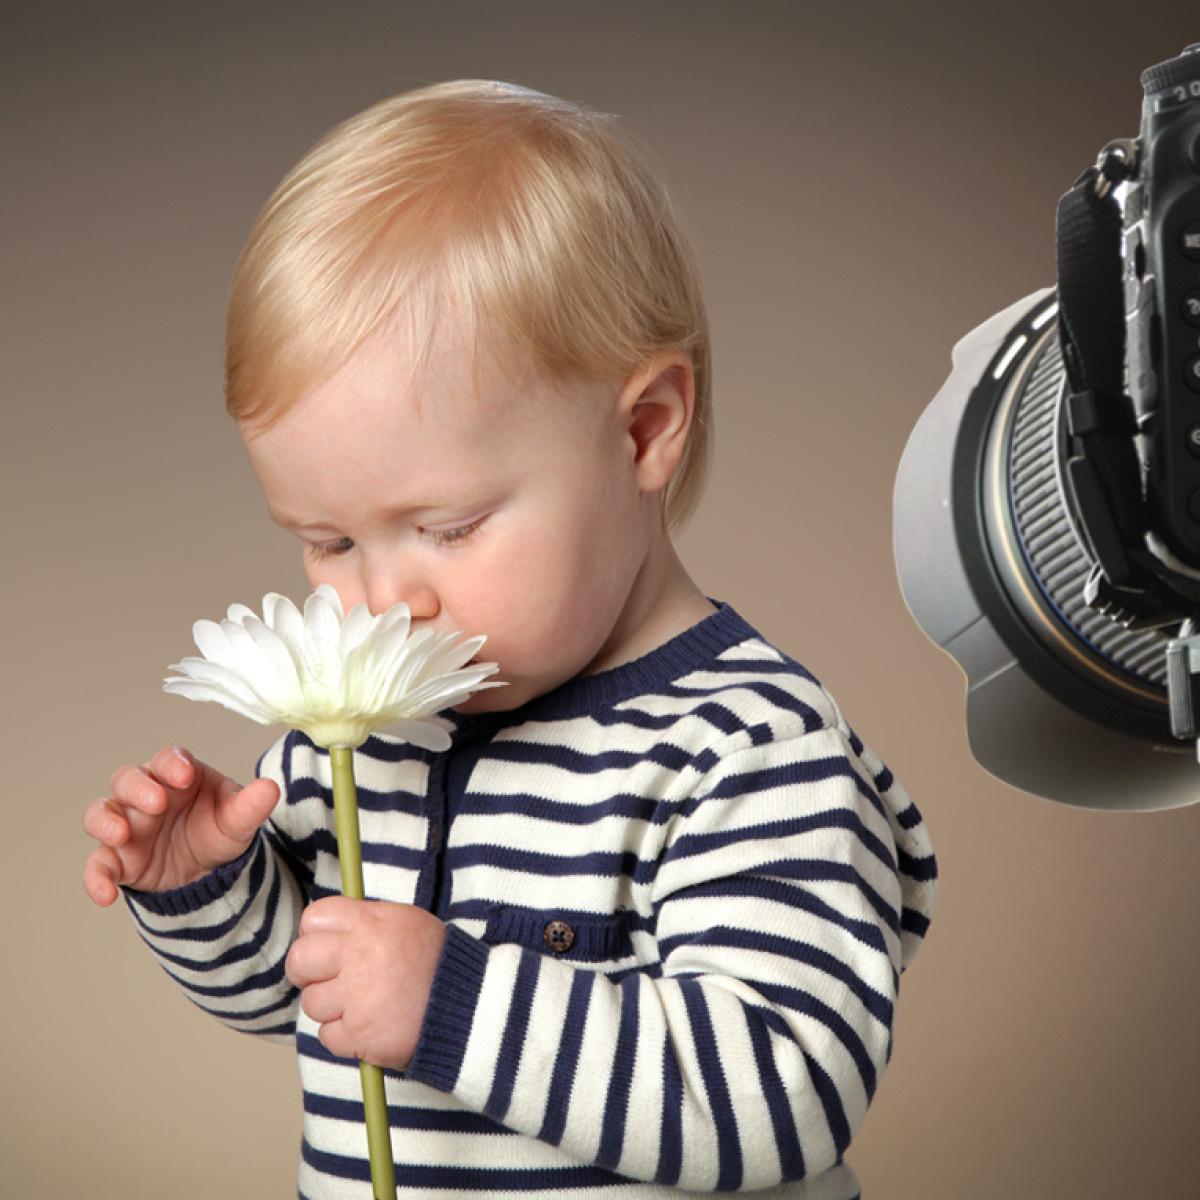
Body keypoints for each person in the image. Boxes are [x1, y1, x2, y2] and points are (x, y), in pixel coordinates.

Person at [82, 81, 937, 1198]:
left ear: (644, 430)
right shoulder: (355, 735)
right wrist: (207, 889)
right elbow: (290, 995)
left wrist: (452, 1002)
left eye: (446, 528)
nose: (384, 601)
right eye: (326, 541)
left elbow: (784, 1097)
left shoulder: (749, 749)